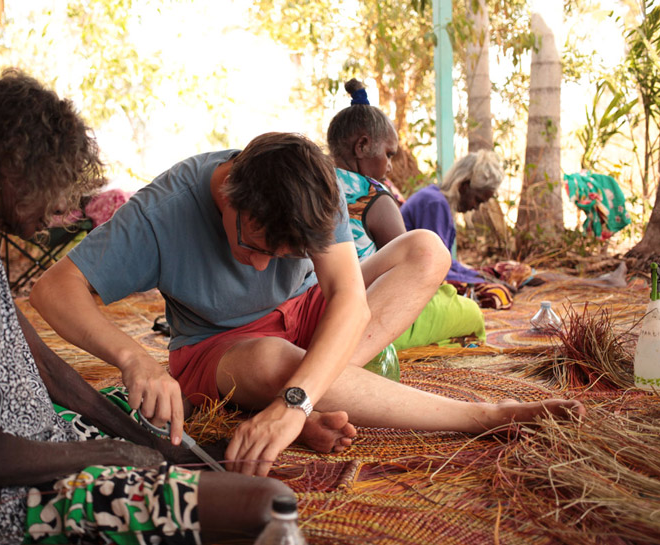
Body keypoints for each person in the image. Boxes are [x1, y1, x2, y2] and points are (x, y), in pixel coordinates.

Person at [0, 70, 290, 545]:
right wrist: (112, 456)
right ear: (14, 164)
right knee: (265, 503)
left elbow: (45, 366)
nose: (61, 208)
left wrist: (148, 446)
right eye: (55, 181)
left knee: (155, 427)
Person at [31, 130, 586, 479]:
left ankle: (313, 386)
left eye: (283, 253)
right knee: (274, 361)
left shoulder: (313, 188)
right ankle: (479, 418)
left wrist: (295, 402)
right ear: (226, 197)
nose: (259, 266)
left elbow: (347, 298)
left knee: (426, 250)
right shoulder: (165, 210)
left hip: (306, 315)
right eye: (252, 245)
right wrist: (134, 358)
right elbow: (52, 289)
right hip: (220, 347)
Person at [328, 78, 486, 350]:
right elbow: (412, 275)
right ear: (362, 146)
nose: (389, 166)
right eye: (388, 154)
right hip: (362, 318)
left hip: (308, 311)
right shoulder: (373, 196)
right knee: (470, 313)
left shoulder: (310, 183)